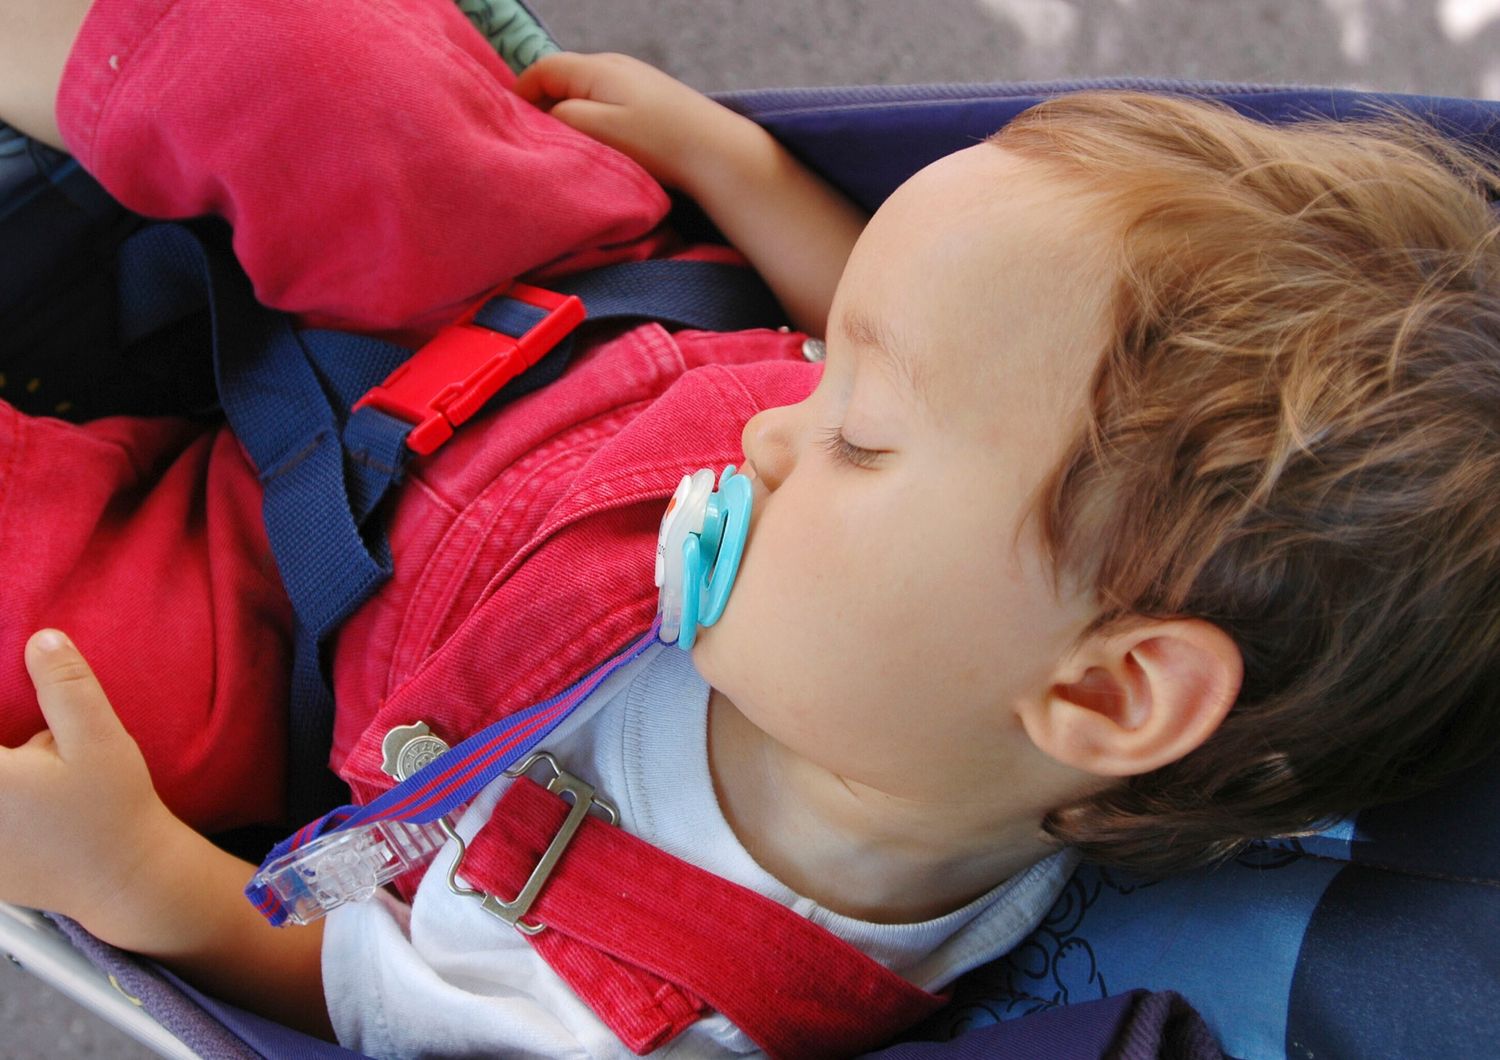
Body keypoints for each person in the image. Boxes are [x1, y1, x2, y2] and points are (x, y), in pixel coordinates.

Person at [2, 0, 1499, 1054]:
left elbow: (346, 992)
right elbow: (926, 346)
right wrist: (745, 169)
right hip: (561, 302)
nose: (781, 426)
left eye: (852, 438)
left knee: (47, 649)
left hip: (285, 624)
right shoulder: (973, 594)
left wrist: (137, 873)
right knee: (305, 60)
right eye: (832, 365)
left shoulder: (671, 992)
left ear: (1104, 690)